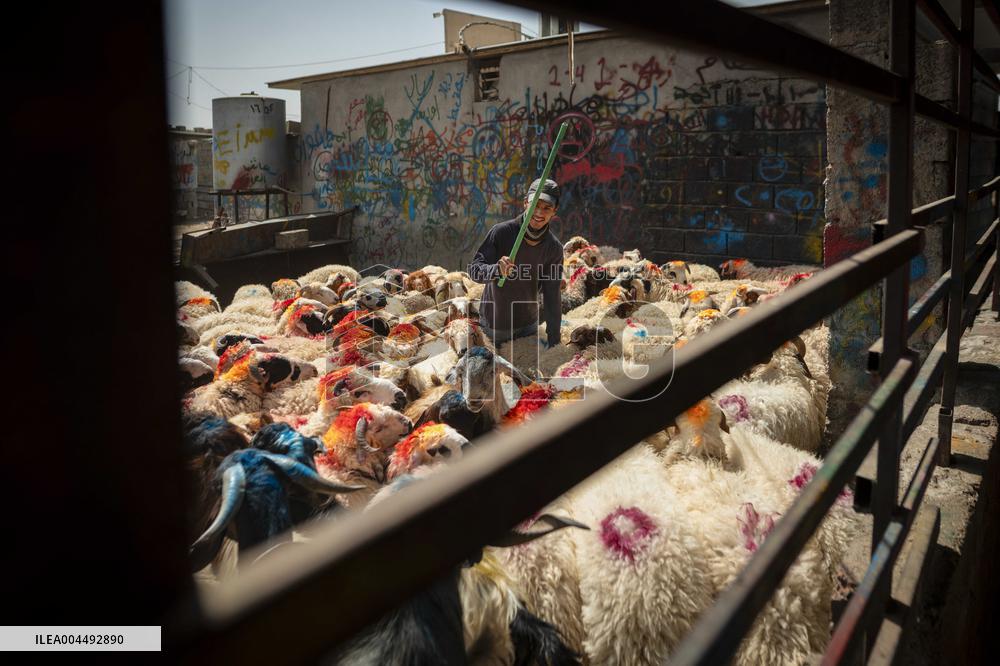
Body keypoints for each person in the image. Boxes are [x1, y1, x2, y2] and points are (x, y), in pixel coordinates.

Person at [468, 178, 563, 349]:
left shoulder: (554, 248)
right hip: (495, 325)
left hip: (528, 326)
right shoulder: (501, 233)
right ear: (525, 203)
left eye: (546, 208)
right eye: (535, 204)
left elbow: (552, 296)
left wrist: (554, 341)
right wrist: (496, 269)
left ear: (554, 211)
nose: (539, 213)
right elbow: (475, 270)